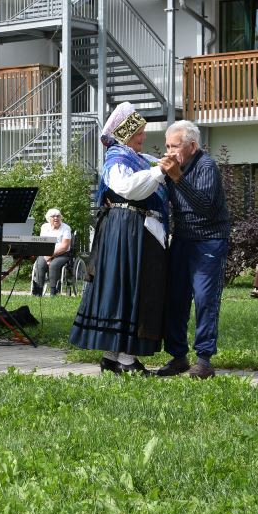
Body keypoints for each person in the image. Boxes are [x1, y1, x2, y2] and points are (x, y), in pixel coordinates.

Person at [68, 103, 168, 375]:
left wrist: (164, 167)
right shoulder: (117, 159)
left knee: (127, 286)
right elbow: (127, 188)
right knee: (129, 286)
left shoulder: (137, 158)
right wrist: (159, 172)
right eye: (139, 133)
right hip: (126, 230)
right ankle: (125, 359)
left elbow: (156, 171)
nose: (143, 137)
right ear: (125, 134)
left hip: (132, 228)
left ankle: (113, 357)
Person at [154, 120, 230, 380]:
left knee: (205, 299)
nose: (169, 152)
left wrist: (178, 178)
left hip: (209, 240)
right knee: (175, 298)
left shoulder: (207, 166)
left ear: (192, 147)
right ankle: (178, 357)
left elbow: (204, 207)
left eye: (174, 146)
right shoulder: (174, 168)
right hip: (182, 239)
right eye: (167, 146)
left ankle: (204, 360)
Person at [31, 208, 72, 297]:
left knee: (53, 265)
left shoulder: (66, 228)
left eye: (58, 216)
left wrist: (50, 256)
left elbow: (65, 247)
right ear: (48, 218)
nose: (56, 218)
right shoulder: (44, 227)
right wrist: (47, 257)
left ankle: (53, 292)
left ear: (61, 217)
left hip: (62, 254)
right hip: (46, 253)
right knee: (40, 264)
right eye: (53, 216)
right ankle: (38, 291)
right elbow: (42, 243)